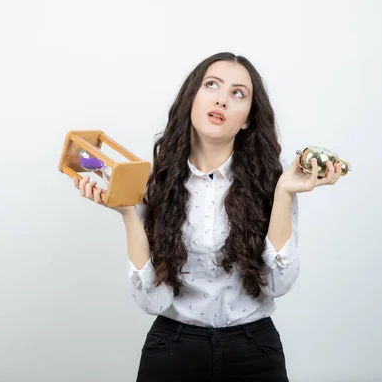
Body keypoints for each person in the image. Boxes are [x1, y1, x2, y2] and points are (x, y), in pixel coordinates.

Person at [72, 52, 342, 382]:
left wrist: (284, 193)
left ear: (247, 119)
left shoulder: (270, 183)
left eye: (237, 93)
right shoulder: (156, 185)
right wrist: (129, 213)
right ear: (192, 99)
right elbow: (153, 301)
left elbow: (277, 283)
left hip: (253, 351)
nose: (221, 100)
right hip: (173, 349)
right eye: (211, 85)